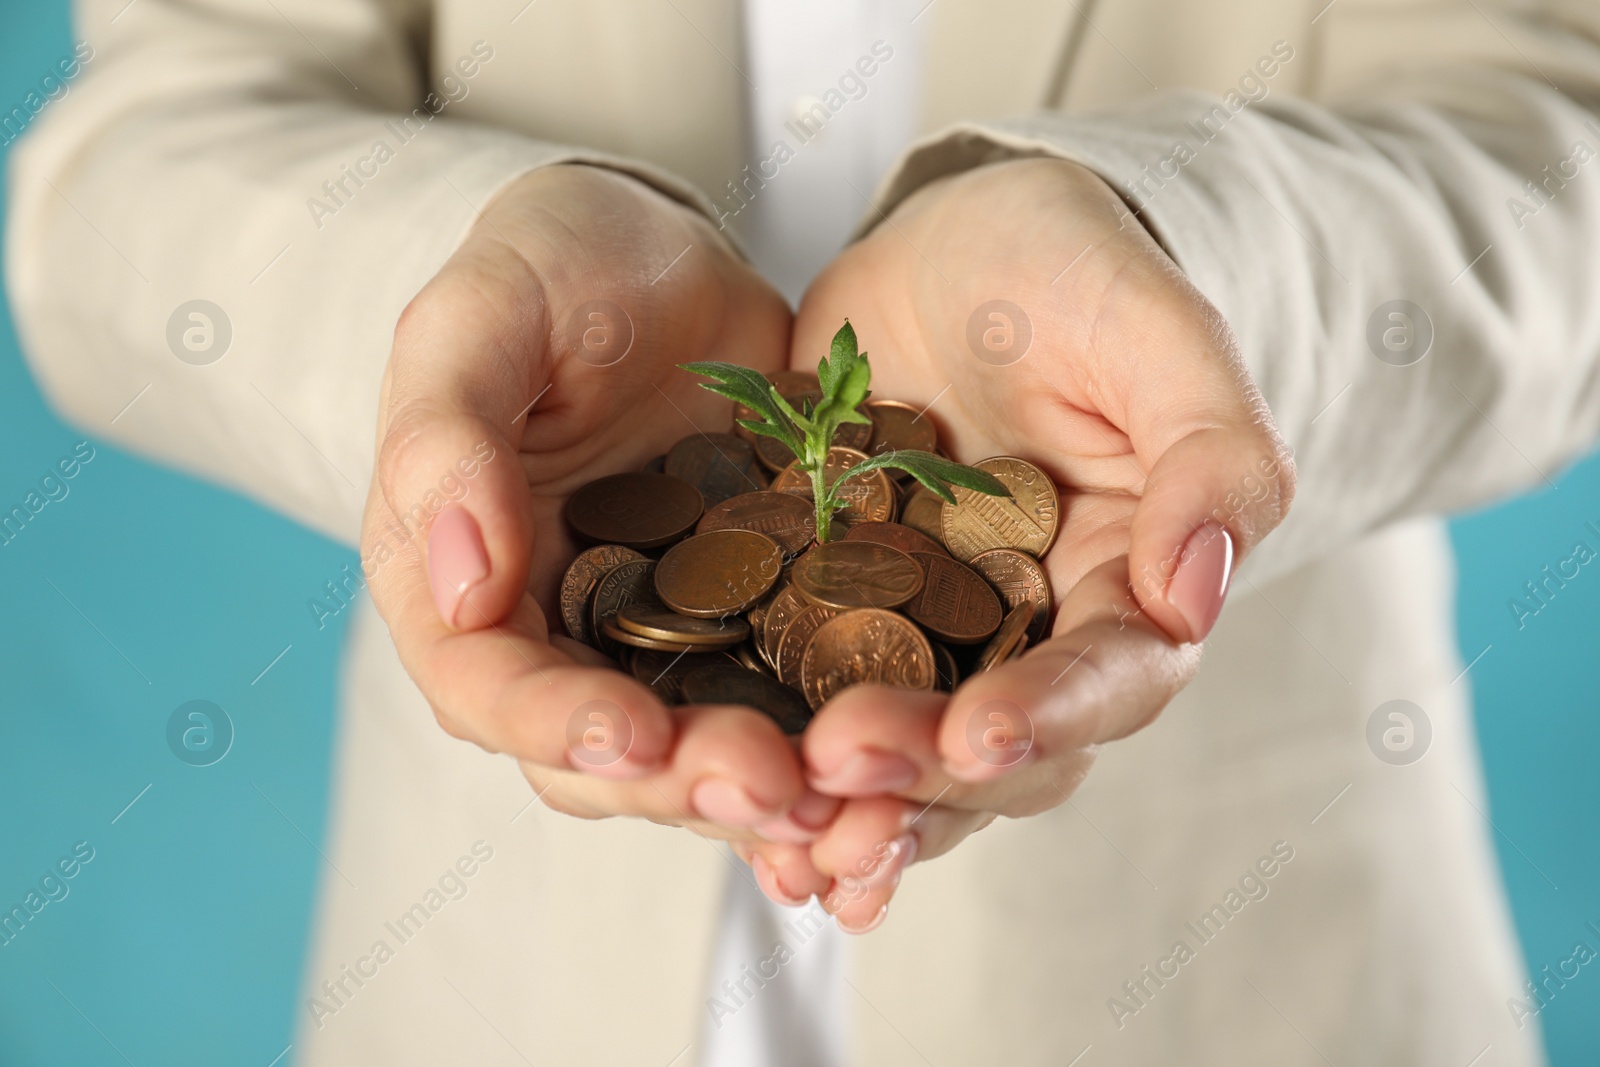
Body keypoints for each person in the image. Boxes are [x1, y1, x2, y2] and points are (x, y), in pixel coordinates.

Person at [9, 0, 1599, 1062]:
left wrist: (1192, 291)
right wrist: (457, 304)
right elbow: (138, 158)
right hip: (491, 979)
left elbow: (1556, 140)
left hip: (1244, 973)